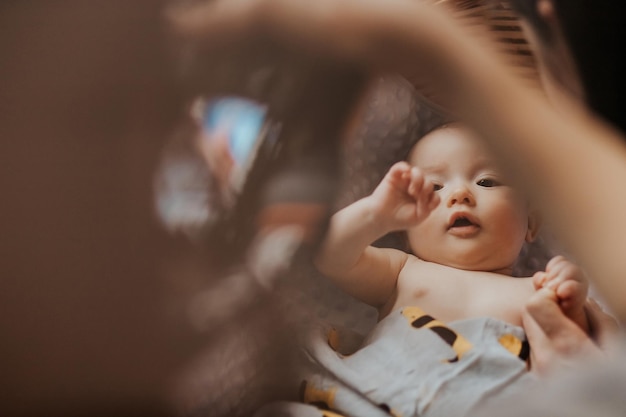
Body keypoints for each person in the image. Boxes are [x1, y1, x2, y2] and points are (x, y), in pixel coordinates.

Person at [276, 121, 586, 417]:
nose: (459, 194)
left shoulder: (540, 290)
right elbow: (328, 252)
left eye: (486, 181)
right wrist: (377, 214)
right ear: (405, 231)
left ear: (531, 221)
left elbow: (595, 361)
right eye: (433, 187)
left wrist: (573, 302)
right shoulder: (402, 271)